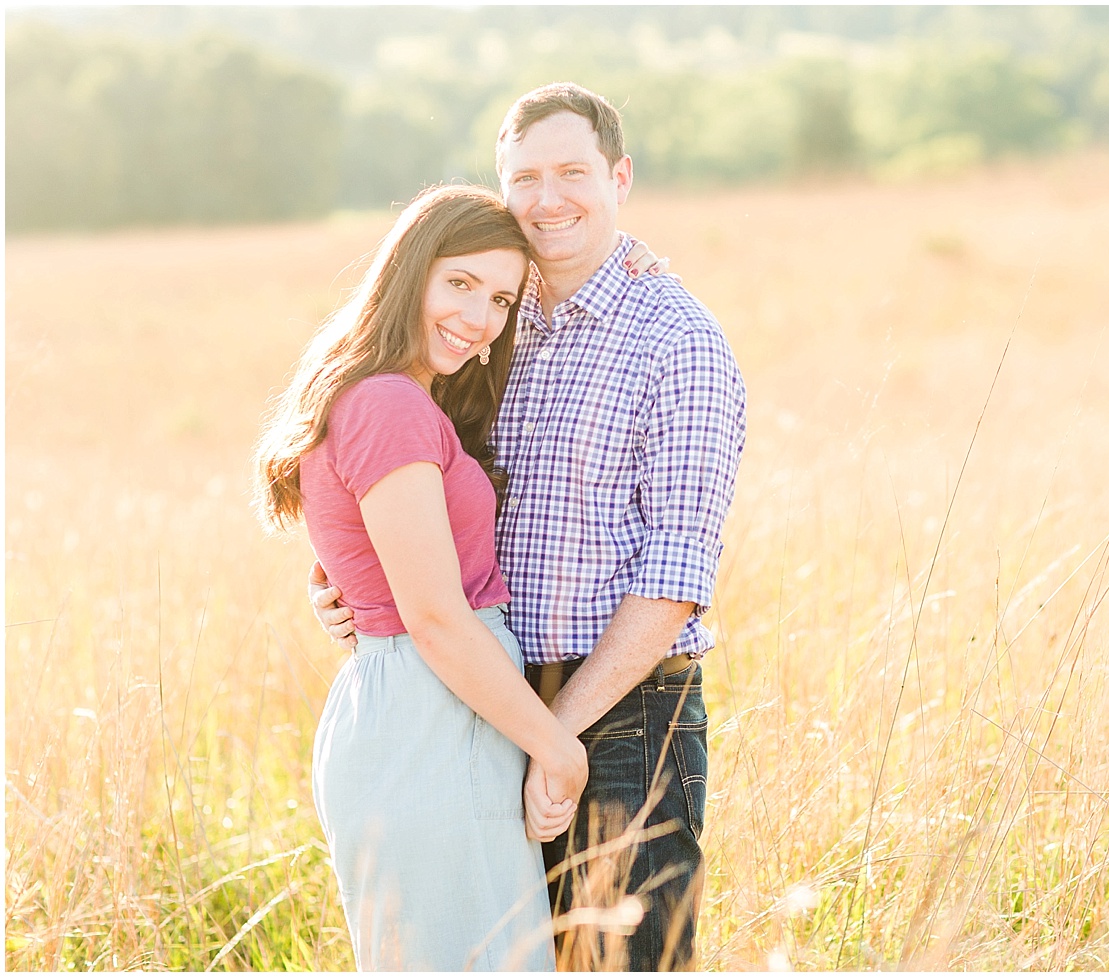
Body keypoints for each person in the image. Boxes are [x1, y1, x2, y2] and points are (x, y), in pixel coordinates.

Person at [311, 82, 748, 970]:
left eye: (573, 173)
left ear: (619, 176)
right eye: (525, 178)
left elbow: (673, 577)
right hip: (480, 707)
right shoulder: (490, 330)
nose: (549, 199)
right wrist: (352, 584)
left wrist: (562, 734)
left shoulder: (678, 342)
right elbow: (408, 489)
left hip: (617, 723)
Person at [256, 184, 658, 970]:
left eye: (502, 297)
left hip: (430, 708)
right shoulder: (390, 405)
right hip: (434, 718)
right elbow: (437, 618)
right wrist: (559, 748)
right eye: (461, 283)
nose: (479, 318)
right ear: (411, 273)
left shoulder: (396, 399)